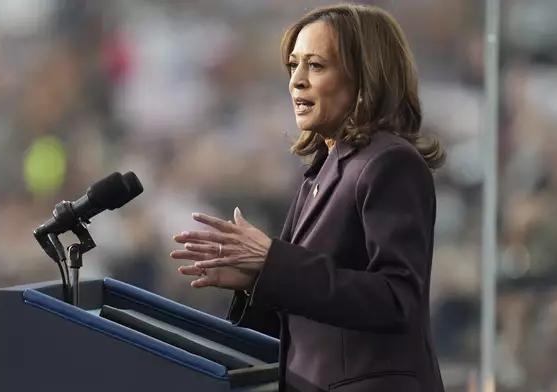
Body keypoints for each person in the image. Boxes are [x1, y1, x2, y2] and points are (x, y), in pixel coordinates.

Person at [171, 4, 446, 391]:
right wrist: (258, 277)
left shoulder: (390, 163)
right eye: (293, 65)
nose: (296, 81)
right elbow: (309, 307)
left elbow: (396, 297)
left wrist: (273, 262)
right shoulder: (321, 171)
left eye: (315, 66)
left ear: (365, 76)